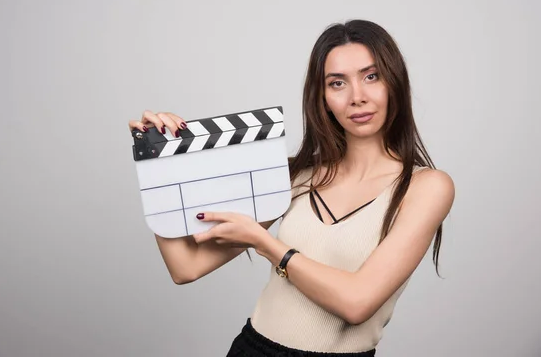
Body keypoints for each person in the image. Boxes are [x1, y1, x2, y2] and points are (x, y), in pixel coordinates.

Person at [128, 19, 455, 356]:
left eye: (371, 76)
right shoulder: (297, 175)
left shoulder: (426, 187)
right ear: (324, 97)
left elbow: (358, 303)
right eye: (338, 83)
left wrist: (265, 244)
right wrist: (158, 167)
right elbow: (186, 267)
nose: (357, 97)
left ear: (395, 83)